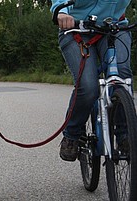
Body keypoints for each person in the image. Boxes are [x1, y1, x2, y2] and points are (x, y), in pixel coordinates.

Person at [50, 0, 133, 161]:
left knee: (122, 75)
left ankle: (125, 135)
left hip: (115, 28)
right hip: (75, 28)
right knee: (88, 87)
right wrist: (62, 12)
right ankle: (72, 134)